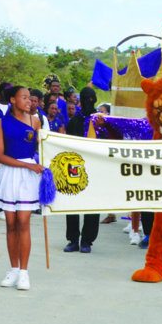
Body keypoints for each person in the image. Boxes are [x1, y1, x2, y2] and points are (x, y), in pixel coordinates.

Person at [0, 86, 43, 290]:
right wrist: (26, 164)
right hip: (9, 173)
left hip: (28, 177)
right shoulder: (1, 123)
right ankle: (13, 269)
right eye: (24, 97)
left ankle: (24, 272)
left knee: (24, 222)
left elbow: (41, 147)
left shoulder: (36, 121)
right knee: (11, 224)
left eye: (30, 98)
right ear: (12, 100)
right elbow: (0, 156)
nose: (29, 101)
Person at [64, 87, 101, 253]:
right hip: (75, 167)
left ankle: (87, 240)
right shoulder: (74, 121)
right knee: (73, 203)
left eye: (91, 99)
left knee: (93, 205)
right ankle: (73, 239)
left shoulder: (101, 120)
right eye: (87, 99)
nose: (89, 102)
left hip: (95, 168)